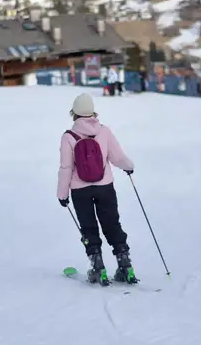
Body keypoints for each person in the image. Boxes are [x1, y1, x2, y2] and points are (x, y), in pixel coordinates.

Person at [56, 93, 137, 285]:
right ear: (92, 111)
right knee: (112, 224)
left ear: (74, 113)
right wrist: (129, 166)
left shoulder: (68, 137)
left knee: (89, 228)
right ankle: (125, 264)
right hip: (105, 187)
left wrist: (62, 194)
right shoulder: (104, 131)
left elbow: (66, 167)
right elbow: (117, 157)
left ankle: (97, 267)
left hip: (80, 191)